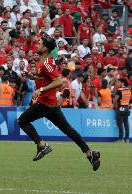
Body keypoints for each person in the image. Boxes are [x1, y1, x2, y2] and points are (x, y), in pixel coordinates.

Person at [17, 34, 100, 171]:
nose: (37, 44)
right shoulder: (43, 63)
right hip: (51, 105)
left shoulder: (46, 63)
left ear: (45, 48)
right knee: (68, 130)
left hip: (45, 104)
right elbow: (46, 78)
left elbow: (58, 81)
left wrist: (41, 89)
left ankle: (42, 145)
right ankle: (89, 153)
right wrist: (33, 76)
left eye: (39, 43)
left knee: (22, 121)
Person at [114, 78, 132, 143]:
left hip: (121, 107)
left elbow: (115, 100)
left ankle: (121, 139)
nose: (117, 83)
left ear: (122, 83)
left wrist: (115, 102)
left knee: (120, 124)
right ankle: (127, 139)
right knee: (126, 124)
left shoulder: (119, 90)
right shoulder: (128, 90)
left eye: (118, 82)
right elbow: (130, 100)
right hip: (126, 107)